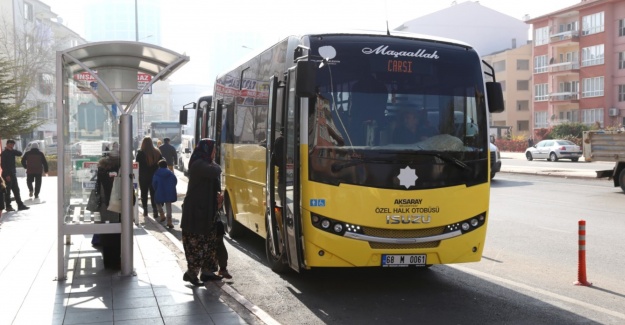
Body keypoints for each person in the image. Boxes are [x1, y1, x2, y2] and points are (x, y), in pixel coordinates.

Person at [180, 138, 224, 286]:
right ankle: (191, 274)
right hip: (195, 212)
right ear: (206, 150)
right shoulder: (199, 164)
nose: (215, 153)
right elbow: (215, 170)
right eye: (213, 150)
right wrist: (216, 165)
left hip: (207, 211)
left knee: (209, 243)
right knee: (196, 243)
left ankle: (207, 272)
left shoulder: (206, 163)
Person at [95, 144, 122, 268]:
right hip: (118, 202)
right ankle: (116, 259)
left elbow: (98, 185)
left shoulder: (102, 167)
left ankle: (107, 260)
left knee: (106, 231)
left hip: (105, 203)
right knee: (117, 232)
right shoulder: (121, 166)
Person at [135, 137, 164, 220]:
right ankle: (155, 210)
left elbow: (137, 165)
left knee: (144, 193)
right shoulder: (157, 152)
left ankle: (145, 210)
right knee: (153, 193)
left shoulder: (140, 153)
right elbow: (161, 163)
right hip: (154, 176)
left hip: (143, 177)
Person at [1, 139, 29, 211]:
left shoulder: (12, 152)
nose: (12, 146)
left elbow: (20, 153)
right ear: (7, 144)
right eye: (11, 144)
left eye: (13, 144)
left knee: (16, 190)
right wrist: (7, 175)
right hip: (7, 175)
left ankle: (20, 205)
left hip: (13, 174)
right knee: (8, 191)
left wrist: (12, 150)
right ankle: (8, 206)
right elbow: (3, 165)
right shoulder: (4, 153)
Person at [152, 159, 177, 229]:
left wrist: (156, 189)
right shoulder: (171, 173)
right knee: (168, 205)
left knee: (157, 201)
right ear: (166, 165)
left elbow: (154, 183)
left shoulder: (156, 174)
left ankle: (162, 214)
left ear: (159, 166)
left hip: (159, 191)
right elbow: (175, 181)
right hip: (169, 191)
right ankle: (169, 221)